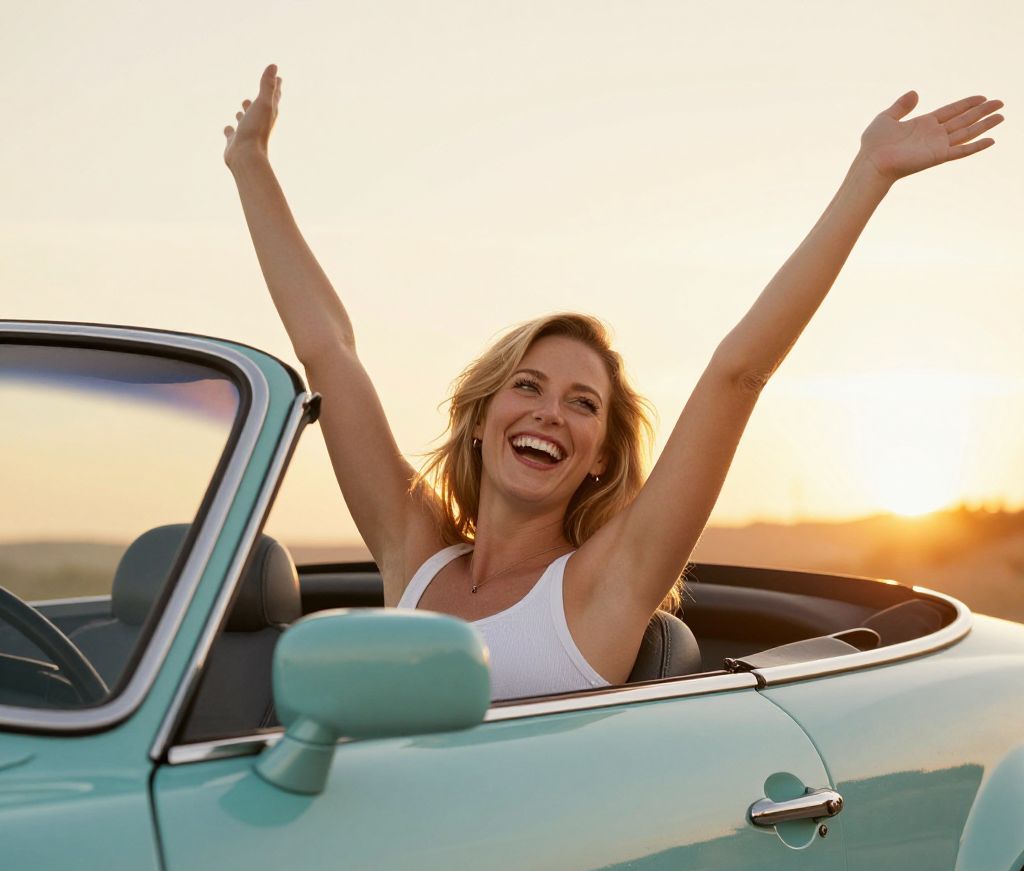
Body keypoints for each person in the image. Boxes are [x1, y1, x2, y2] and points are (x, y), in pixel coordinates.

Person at [223, 65, 1003, 700]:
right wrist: (251, 166)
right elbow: (330, 352)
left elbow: (738, 374)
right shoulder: (414, 555)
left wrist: (869, 175)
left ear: (600, 454)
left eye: (582, 403)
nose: (549, 414)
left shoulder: (606, 582)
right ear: (481, 418)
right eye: (527, 387)